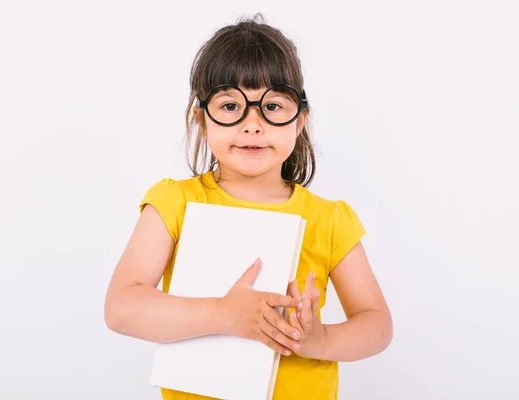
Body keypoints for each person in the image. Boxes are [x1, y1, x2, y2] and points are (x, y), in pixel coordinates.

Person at [104, 13, 393, 400]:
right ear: (201, 119)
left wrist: (317, 340)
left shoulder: (329, 219)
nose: (252, 125)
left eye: (272, 107)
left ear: (300, 120)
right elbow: (121, 308)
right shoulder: (174, 203)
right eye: (229, 106)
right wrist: (225, 314)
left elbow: (377, 325)